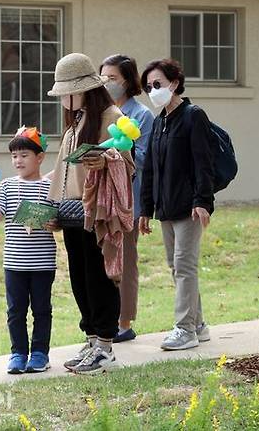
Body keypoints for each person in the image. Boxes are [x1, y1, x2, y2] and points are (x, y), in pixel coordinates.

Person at [47, 53, 135, 375]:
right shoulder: (76, 121)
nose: (64, 100)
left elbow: (127, 161)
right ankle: (92, 338)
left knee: (99, 277)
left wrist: (106, 159)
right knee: (80, 279)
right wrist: (52, 206)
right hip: (72, 212)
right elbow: (61, 173)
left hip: (98, 212)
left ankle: (105, 347)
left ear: (84, 89)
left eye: (67, 92)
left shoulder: (111, 116)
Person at [139, 58, 213, 351]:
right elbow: (151, 170)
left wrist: (202, 201)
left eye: (157, 84)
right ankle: (198, 324)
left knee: (184, 265)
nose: (153, 90)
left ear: (174, 82)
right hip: (165, 208)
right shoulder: (159, 122)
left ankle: (185, 329)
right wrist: (145, 209)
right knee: (176, 266)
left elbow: (203, 164)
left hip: (189, 206)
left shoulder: (193, 116)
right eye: (148, 87)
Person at [0, 126, 57, 375]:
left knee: (41, 310)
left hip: (42, 263)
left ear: (40, 157)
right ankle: (18, 352)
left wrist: (54, 223)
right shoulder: (7, 186)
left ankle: (40, 353)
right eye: (14, 156)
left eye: (24, 155)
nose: (18, 160)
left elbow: (57, 222)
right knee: (15, 311)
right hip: (14, 263)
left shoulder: (49, 186)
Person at [100, 54, 155, 343]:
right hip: (101, 201)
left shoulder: (142, 115)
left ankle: (124, 322)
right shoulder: (102, 112)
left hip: (128, 201)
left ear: (128, 81)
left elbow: (145, 158)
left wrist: (119, 151)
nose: (107, 83)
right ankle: (105, 319)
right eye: (103, 77)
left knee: (126, 262)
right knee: (104, 262)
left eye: (113, 78)